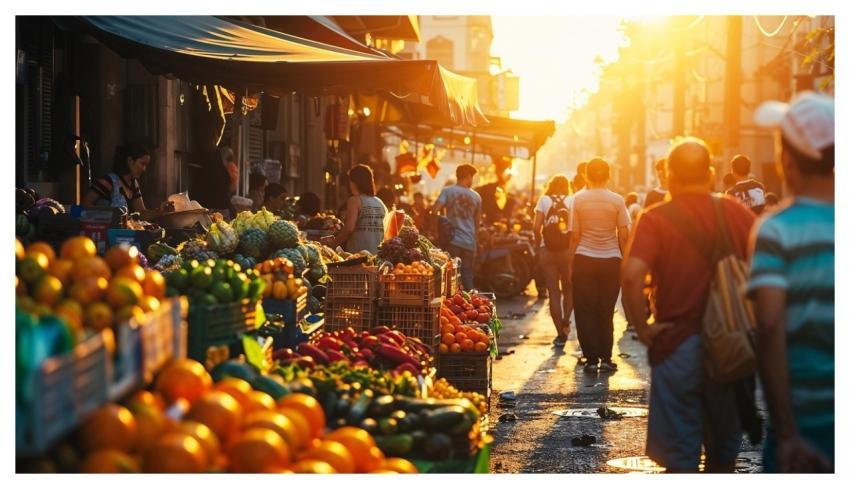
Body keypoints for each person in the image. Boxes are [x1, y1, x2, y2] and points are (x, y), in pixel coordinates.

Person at [621, 137, 755, 472]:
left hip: (677, 344)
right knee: (723, 456)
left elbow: (632, 276)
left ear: (670, 175)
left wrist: (643, 328)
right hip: (732, 346)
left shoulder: (655, 218)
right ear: (710, 174)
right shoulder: (737, 213)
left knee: (680, 460)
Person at [748, 92, 834, 473]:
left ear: (786, 161)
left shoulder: (776, 230)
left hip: (803, 420)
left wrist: (785, 433)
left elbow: (768, 326)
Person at [568, 158, 630, 373]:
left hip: (584, 259)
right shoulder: (617, 200)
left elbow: (574, 236)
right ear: (608, 175)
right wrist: (625, 263)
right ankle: (607, 357)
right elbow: (624, 236)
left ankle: (591, 359)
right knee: (606, 310)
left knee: (585, 310)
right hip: (611, 260)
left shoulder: (578, 199)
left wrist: (570, 265)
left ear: (586, 175)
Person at [532, 175, 574, 346]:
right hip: (567, 250)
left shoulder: (544, 200)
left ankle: (559, 334)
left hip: (547, 250)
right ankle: (566, 320)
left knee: (554, 293)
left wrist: (538, 245)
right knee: (569, 289)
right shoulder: (572, 200)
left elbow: (536, 228)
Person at [83, 142, 174, 218]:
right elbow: (84, 205)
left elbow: (141, 213)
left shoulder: (133, 184)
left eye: (146, 165)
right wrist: (107, 216)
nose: (144, 169)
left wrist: (159, 211)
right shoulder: (108, 182)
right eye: (142, 164)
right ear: (130, 161)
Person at [432, 164, 482, 291]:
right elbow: (477, 223)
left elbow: (435, 210)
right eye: (472, 177)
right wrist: (476, 243)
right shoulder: (476, 197)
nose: (472, 180)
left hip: (452, 241)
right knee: (467, 276)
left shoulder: (448, 191)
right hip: (469, 242)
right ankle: (470, 301)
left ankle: (451, 302)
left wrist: (441, 225)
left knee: (450, 278)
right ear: (468, 176)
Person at [322, 164, 387, 254]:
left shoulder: (354, 201)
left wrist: (334, 243)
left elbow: (349, 229)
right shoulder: (380, 203)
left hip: (358, 256)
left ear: (354, 182)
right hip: (378, 255)